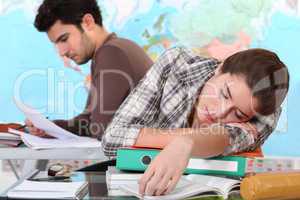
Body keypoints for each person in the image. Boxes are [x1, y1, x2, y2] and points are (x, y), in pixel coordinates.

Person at [102, 47, 289, 196]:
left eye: (238, 115)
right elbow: (112, 138)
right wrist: (180, 142)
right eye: (224, 93)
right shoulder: (175, 64)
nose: (220, 112)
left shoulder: (265, 114)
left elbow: (225, 138)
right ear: (220, 68)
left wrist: (186, 143)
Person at [26, 0, 153, 138]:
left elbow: (100, 129)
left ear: (87, 22)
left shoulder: (112, 53)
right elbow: (88, 120)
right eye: (56, 43)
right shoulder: (110, 51)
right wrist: (49, 127)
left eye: (64, 39)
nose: (61, 52)